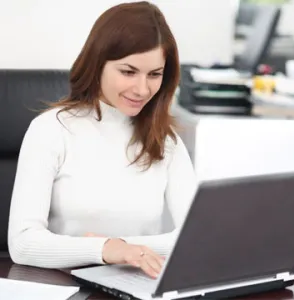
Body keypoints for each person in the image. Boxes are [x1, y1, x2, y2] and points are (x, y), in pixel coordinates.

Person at [8, 1, 197, 279]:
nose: (142, 89)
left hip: (138, 286)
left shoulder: (165, 140)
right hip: (63, 284)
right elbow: (23, 244)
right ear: (97, 64)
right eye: (128, 72)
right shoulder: (51, 130)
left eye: (154, 74)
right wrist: (107, 249)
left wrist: (126, 249)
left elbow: (196, 239)